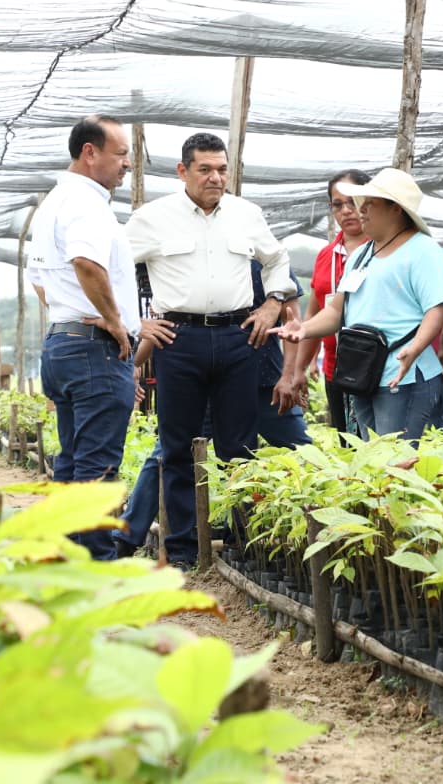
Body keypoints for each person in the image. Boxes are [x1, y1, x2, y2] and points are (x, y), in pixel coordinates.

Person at [127, 132, 293, 570]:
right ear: (182, 171)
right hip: (178, 340)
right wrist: (135, 323)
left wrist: (272, 304)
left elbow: (277, 259)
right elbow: (114, 271)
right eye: (205, 169)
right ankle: (183, 550)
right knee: (177, 446)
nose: (215, 177)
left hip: (240, 336)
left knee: (240, 446)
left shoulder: (246, 214)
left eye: (221, 169)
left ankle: (244, 545)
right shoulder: (152, 218)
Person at [114, 263, 309, 559]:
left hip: (264, 382)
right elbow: (172, 328)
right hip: (208, 384)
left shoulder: (269, 262)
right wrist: (136, 365)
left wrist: (289, 374)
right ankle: (127, 536)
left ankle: (253, 537)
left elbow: (291, 318)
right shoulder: (196, 265)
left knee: (298, 453)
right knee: (170, 453)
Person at [27, 114, 139, 560]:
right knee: (98, 466)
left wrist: (67, 312)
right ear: (89, 153)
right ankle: (97, 569)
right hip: (93, 350)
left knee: (73, 461)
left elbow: (39, 279)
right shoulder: (88, 203)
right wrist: (112, 319)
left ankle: (65, 559)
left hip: (63, 343)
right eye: (121, 154)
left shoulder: (54, 202)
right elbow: (87, 264)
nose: (127, 164)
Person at [275, 168, 443, 441]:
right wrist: (304, 329)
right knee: (370, 460)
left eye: (370, 204)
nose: (361, 211)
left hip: (402, 376)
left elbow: (436, 309)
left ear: (396, 210)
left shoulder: (424, 251)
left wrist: (415, 348)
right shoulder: (362, 255)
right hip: (364, 375)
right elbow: (336, 310)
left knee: (396, 461)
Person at [301, 170, 371, 435]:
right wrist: (300, 368)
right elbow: (314, 314)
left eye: (353, 201)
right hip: (336, 370)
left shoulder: (385, 249)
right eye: (338, 204)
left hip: (378, 371)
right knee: (347, 447)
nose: (346, 211)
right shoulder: (326, 256)